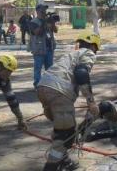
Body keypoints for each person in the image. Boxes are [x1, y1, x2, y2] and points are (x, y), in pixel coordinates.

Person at [36, 32, 101, 171]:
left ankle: (64, 161)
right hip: (59, 91)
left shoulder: (72, 54)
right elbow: (81, 72)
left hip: (43, 87)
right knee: (67, 135)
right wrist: (91, 101)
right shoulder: (88, 52)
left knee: (61, 130)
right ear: (94, 46)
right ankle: (50, 167)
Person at [0, 55, 26, 135]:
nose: (9, 74)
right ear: (0, 67)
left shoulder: (5, 81)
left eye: (11, 72)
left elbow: (12, 100)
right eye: (7, 71)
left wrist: (20, 118)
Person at [29, 4, 58, 88]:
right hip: (39, 49)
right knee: (38, 69)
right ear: (37, 11)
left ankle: (49, 84)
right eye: (42, 10)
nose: (44, 12)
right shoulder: (33, 22)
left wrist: (52, 22)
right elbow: (37, 32)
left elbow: (55, 30)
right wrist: (44, 22)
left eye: (45, 10)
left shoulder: (48, 20)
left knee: (49, 69)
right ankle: (37, 85)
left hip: (49, 48)